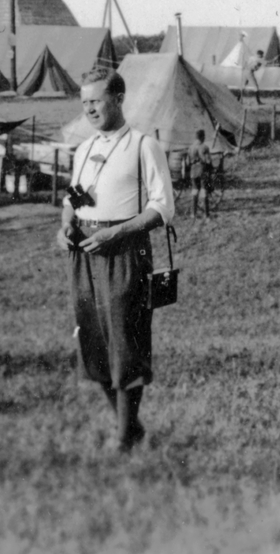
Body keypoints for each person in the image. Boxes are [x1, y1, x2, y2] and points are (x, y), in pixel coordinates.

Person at [56, 68, 176, 452]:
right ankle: (133, 427)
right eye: (84, 102)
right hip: (85, 253)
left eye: (96, 100)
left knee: (125, 340)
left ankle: (124, 437)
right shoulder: (85, 148)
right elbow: (72, 199)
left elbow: (163, 207)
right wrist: (65, 227)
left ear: (119, 98)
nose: (89, 109)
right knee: (93, 339)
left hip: (125, 251)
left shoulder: (143, 146)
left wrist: (118, 232)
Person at [183, 130, 216, 219]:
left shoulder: (190, 148)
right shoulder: (204, 147)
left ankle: (193, 214)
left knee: (194, 191)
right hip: (202, 171)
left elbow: (187, 162)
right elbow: (208, 160)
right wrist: (212, 169)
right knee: (204, 191)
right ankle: (206, 214)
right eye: (204, 137)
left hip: (193, 172)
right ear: (202, 137)